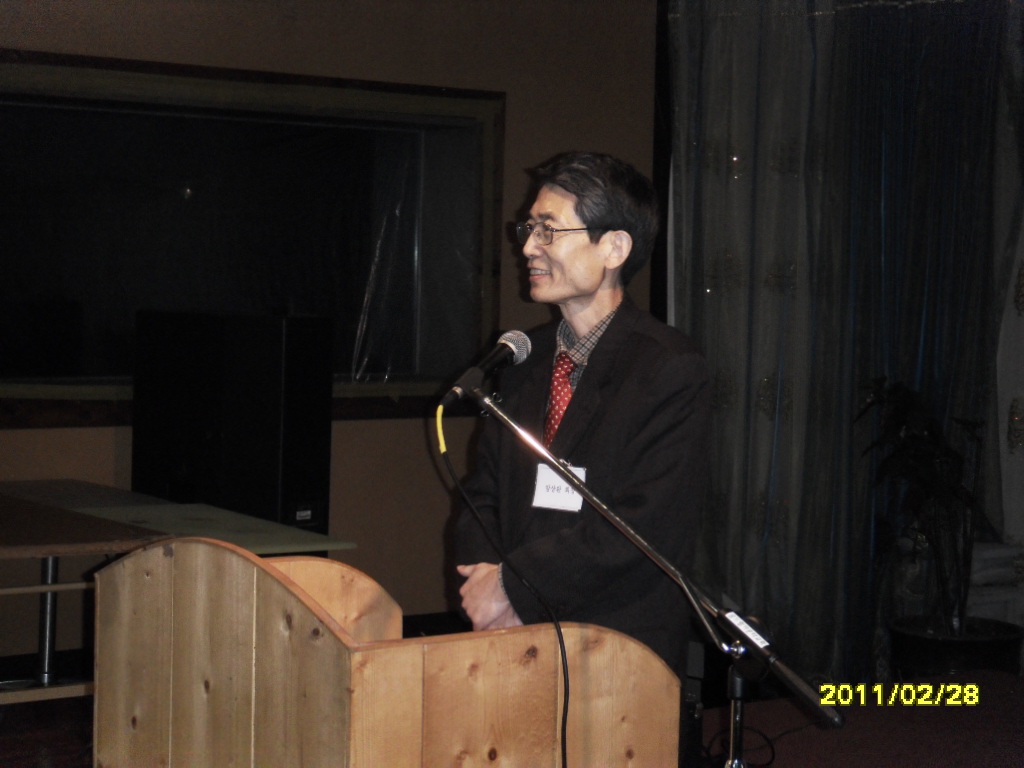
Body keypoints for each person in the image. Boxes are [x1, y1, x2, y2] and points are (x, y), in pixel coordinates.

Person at [453, 151, 710, 682]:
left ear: (614, 247)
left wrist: (510, 587)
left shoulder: (668, 368)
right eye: (529, 228)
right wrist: (486, 588)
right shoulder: (522, 360)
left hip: (615, 650)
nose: (528, 246)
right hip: (510, 639)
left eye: (548, 230)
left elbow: (641, 528)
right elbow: (482, 496)